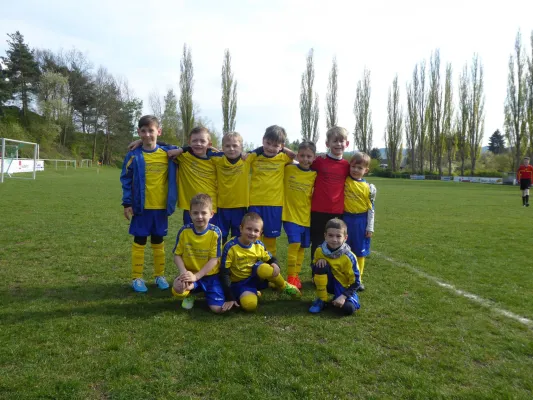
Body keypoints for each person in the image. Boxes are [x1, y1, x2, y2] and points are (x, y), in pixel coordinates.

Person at [120, 115, 178, 293]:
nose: (147, 135)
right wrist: (127, 203)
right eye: (143, 131)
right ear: (138, 132)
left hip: (160, 209)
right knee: (139, 241)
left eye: (151, 131)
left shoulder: (168, 154)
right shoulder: (133, 155)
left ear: (158, 132)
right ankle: (137, 278)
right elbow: (126, 179)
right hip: (140, 207)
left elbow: (188, 149)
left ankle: (159, 275)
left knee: (158, 241)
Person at [219, 212, 301, 312]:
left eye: (256, 230)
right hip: (240, 283)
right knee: (250, 305)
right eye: (249, 229)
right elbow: (224, 273)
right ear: (241, 228)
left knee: (265, 268)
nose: (252, 233)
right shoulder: (230, 247)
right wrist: (229, 296)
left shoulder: (259, 245)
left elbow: (271, 258)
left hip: (256, 277)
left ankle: (284, 286)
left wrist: (275, 264)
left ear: (260, 233)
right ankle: (252, 292)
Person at [171, 194, 232, 313]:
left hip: (211, 276)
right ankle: (192, 293)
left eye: (203, 213)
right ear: (190, 214)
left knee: (218, 309)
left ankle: (205, 291)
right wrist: (184, 273)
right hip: (191, 274)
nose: (199, 217)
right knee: (178, 289)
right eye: (195, 213)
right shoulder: (184, 231)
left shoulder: (215, 232)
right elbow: (177, 255)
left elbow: (214, 260)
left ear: (211, 214)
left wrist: (197, 276)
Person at [246, 125, 295, 256]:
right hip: (255, 203)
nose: (271, 148)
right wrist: (257, 151)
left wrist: (283, 149)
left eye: (275, 145)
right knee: (254, 236)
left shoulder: (283, 158)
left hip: (274, 204)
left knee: (270, 239)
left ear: (281, 146)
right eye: (268, 143)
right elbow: (243, 157)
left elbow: (294, 155)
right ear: (263, 140)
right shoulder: (255, 157)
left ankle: (269, 265)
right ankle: (252, 265)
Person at [309, 126, 350, 261]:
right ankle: (317, 272)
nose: (338, 144)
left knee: (336, 243)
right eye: (335, 141)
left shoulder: (347, 166)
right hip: (318, 210)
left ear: (347, 144)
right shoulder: (319, 161)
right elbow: (301, 162)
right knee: (317, 242)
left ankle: (333, 273)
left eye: (341, 141)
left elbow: (357, 178)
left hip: (337, 212)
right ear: (327, 144)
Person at [282, 141, 317, 289]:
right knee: (294, 244)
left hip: (306, 216)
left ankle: (296, 275)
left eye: (309, 156)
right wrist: (286, 150)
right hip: (289, 215)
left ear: (314, 158)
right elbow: (277, 150)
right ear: (297, 155)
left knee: (303, 247)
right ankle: (290, 277)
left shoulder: (315, 174)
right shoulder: (288, 168)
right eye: (302, 155)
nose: (305, 159)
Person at [309, 218, 361, 315]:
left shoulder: (349, 257)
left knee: (348, 309)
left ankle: (343, 297)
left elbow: (356, 283)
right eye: (330, 235)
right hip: (327, 283)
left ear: (345, 238)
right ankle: (322, 300)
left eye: (338, 236)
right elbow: (313, 267)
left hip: (343, 286)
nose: (334, 239)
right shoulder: (320, 251)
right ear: (325, 236)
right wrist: (317, 265)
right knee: (320, 266)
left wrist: (343, 296)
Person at [210, 132, 251, 244]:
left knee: (238, 237)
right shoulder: (217, 159)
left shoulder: (246, 160)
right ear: (222, 148)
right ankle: (220, 260)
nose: (231, 149)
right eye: (227, 146)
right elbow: (204, 149)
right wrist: (217, 151)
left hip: (240, 206)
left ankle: (236, 260)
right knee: (220, 236)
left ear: (241, 147)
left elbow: (265, 153)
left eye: (235, 145)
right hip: (222, 206)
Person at [343, 152, 376, 291]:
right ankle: (344, 277)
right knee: (343, 250)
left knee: (360, 252)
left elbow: (371, 209)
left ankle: (358, 279)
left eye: (360, 168)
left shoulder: (369, 189)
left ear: (366, 170)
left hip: (361, 221)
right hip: (345, 219)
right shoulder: (345, 180)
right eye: (353, 166)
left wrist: (370, 227)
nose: (355, 170)